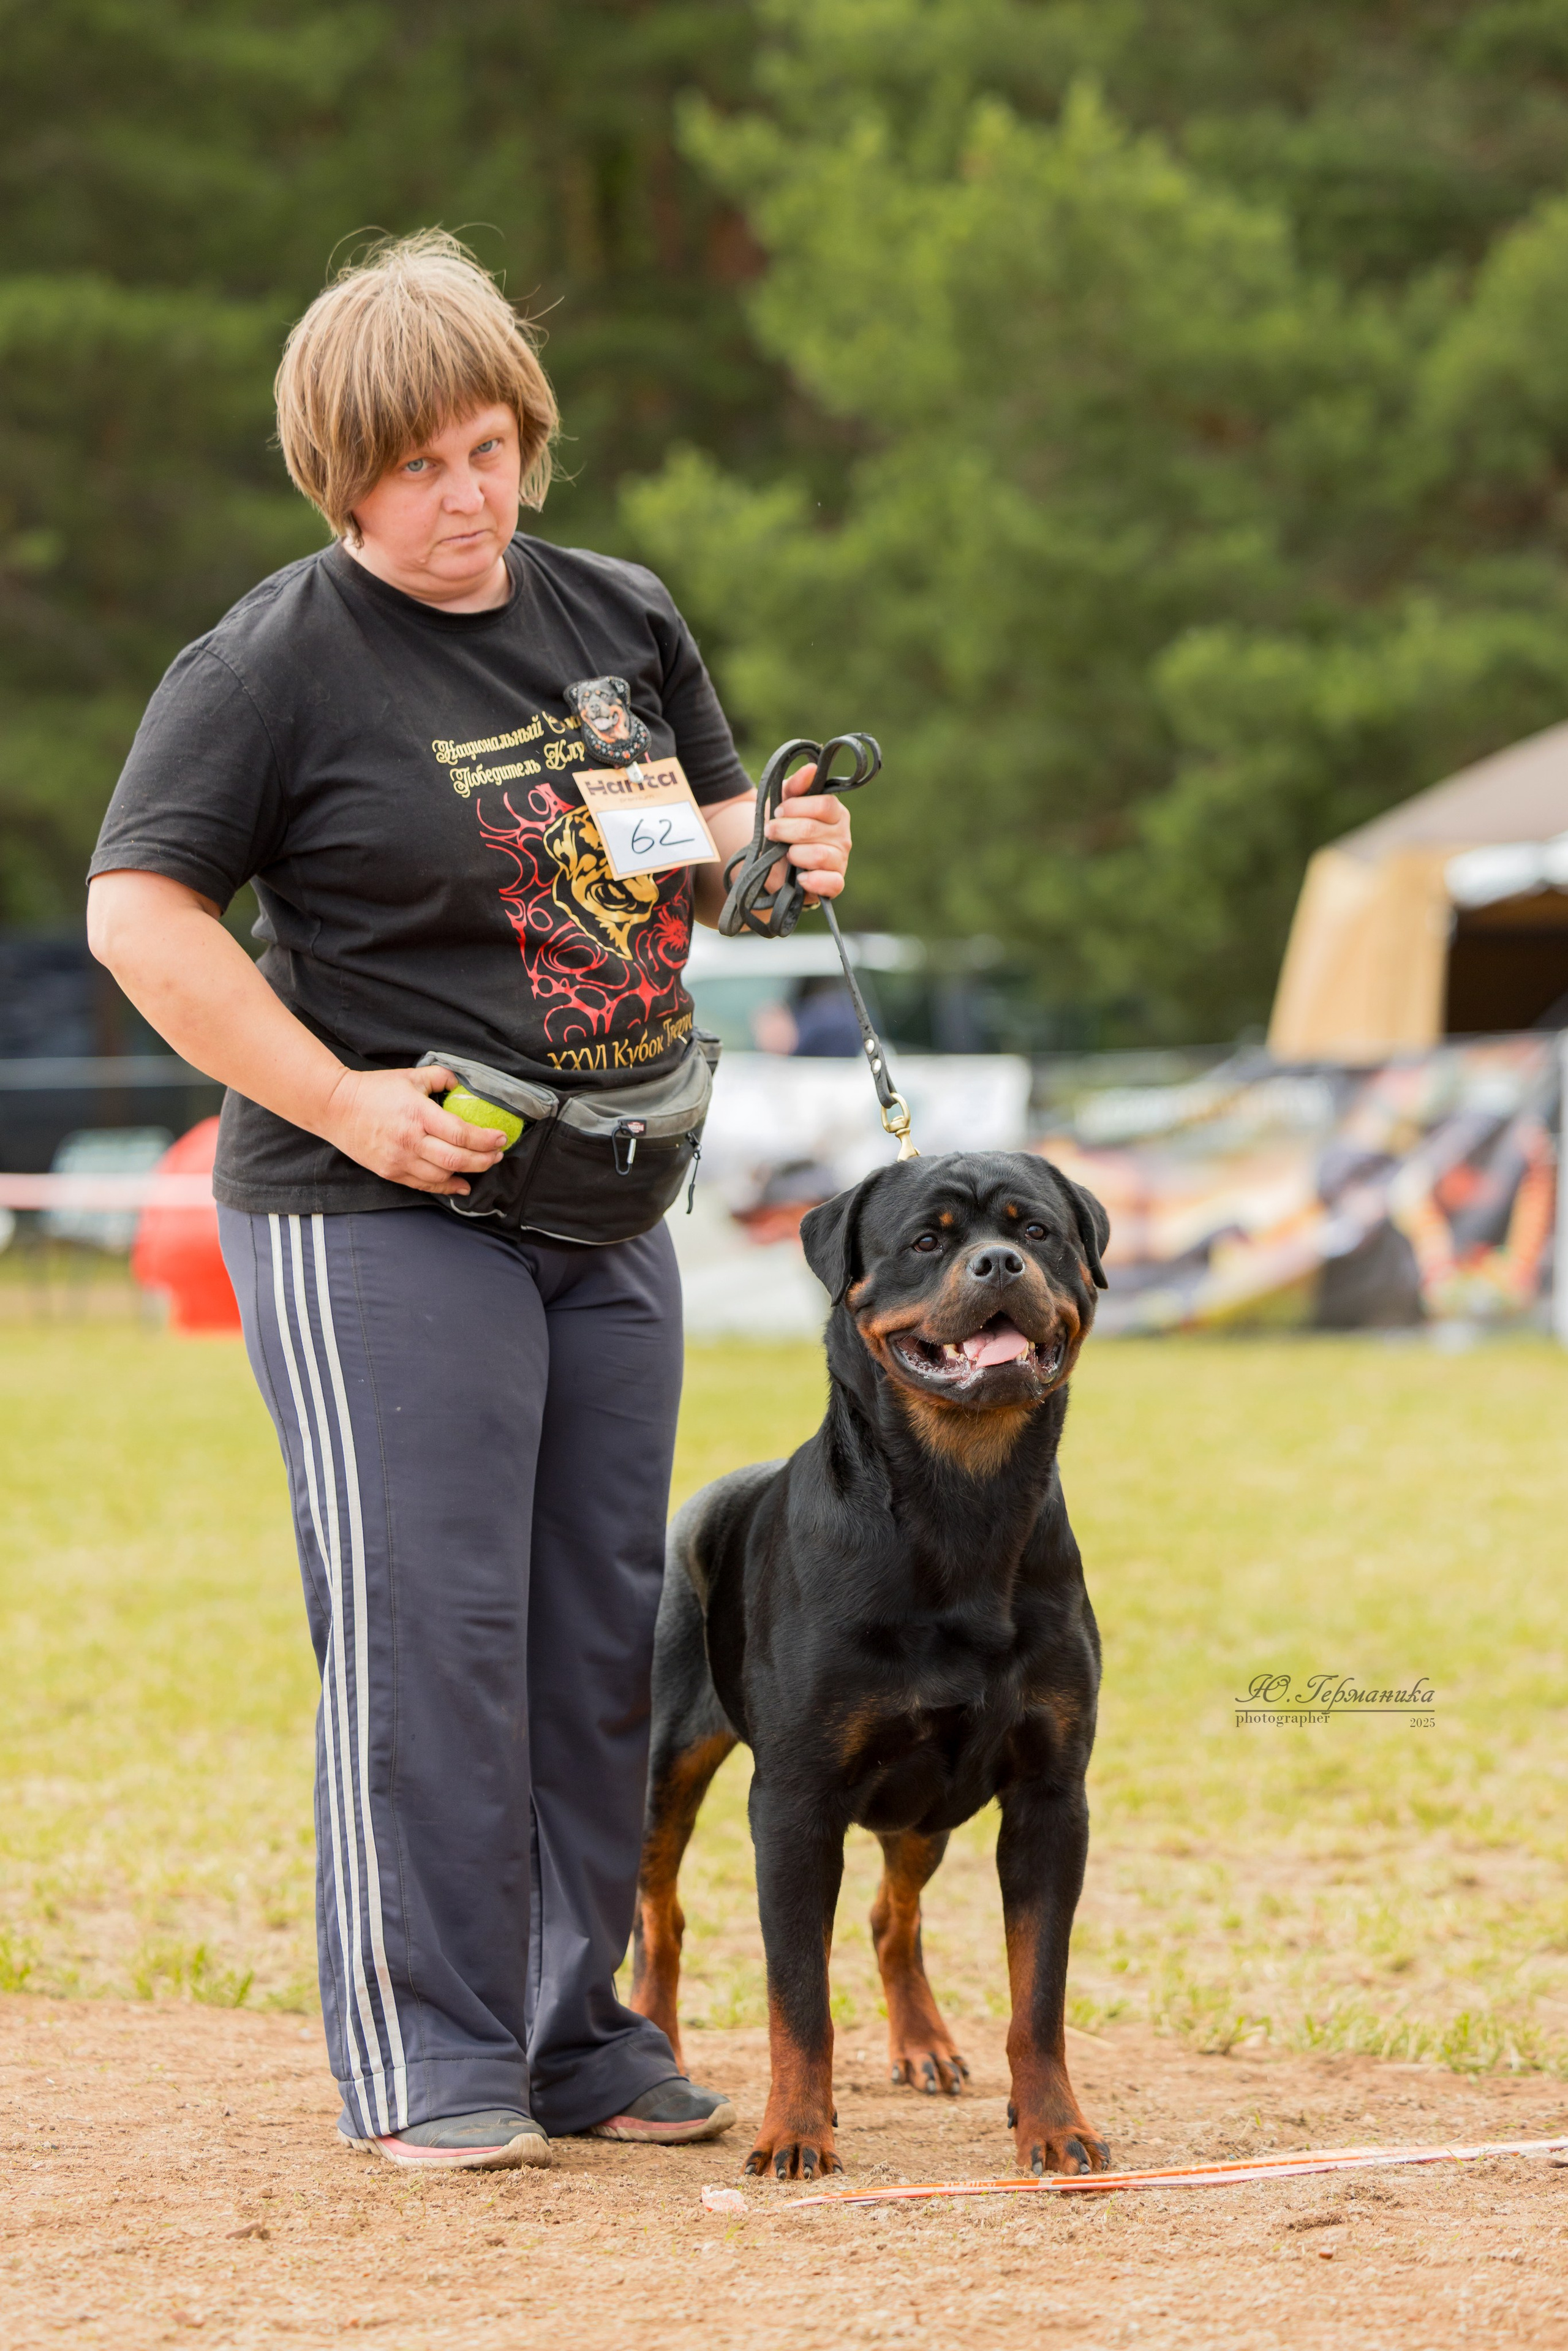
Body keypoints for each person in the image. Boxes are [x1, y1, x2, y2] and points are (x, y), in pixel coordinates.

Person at [86, 232, 853, 2172]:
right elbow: (140, 914)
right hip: (375, 1218)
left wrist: (774, 838)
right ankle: (428, 2051)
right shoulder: (267, 666)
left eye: (492, 445)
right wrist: (342, 1101)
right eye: (419, 464)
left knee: (599, 1624)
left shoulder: (612, 615)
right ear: (339, 476)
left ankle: (572, 2027)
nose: (468, 494)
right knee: (431, 1625)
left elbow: (669, 853)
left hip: (607, 1199)